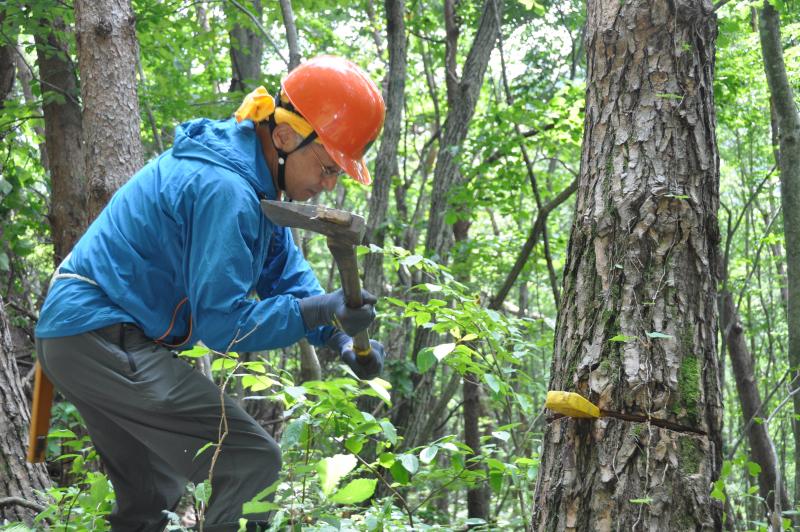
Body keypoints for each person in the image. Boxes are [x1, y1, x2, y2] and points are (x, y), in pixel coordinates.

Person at [34, 55, 386, 531]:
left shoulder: (250, 179)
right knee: (249, 460)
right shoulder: (226, 189)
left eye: (337, 175)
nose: (327, 185)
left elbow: (284, 272)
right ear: (284, 137)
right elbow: (225, 325)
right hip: (98, 335)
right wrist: (324, 308)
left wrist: (339, 336)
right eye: (327, 168)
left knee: (150, 496)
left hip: (79, 336)